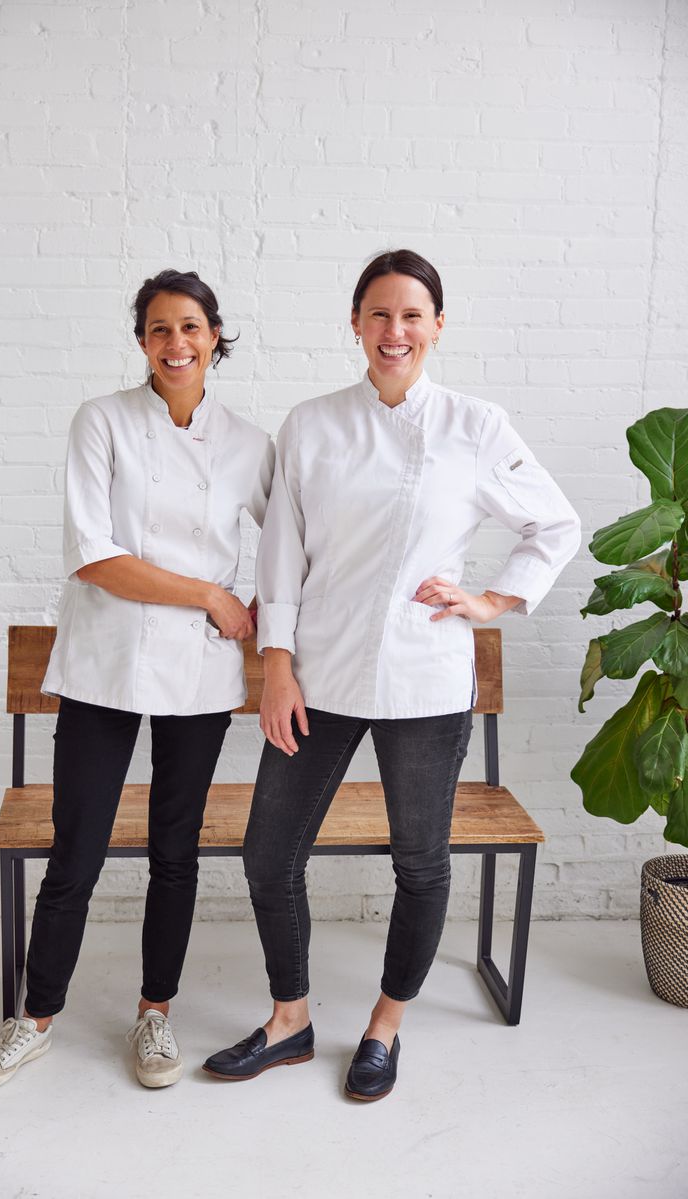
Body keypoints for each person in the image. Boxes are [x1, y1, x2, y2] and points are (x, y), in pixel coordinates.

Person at [203, 249, 581, 1101]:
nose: (395, 331)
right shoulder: (311, 425)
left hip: (424, 677)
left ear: (438, 326)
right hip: (320, 673)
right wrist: (275, 665)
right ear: (355, 324)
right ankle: (289, 1018)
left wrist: (491, 600)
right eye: (379, 314)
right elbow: (283, 552)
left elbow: (554, 523)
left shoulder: (475, 426)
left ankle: (384, 1025)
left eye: (412, 315)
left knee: (422, 861)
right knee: (269, 853)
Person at [0, 269, 275, 1091]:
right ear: (142, 341)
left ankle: (155, 1015)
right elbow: (96, 557)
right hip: (104, 663)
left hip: (200, 675)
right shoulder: (100, 421)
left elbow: (293, 542)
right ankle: (32, 1022)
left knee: (177, 853)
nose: (178, 343)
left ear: (216, 338)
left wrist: (259, 606)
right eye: (160, 329)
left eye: (192, 327)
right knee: (77, 849)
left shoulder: (249, 444)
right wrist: (212, 591)